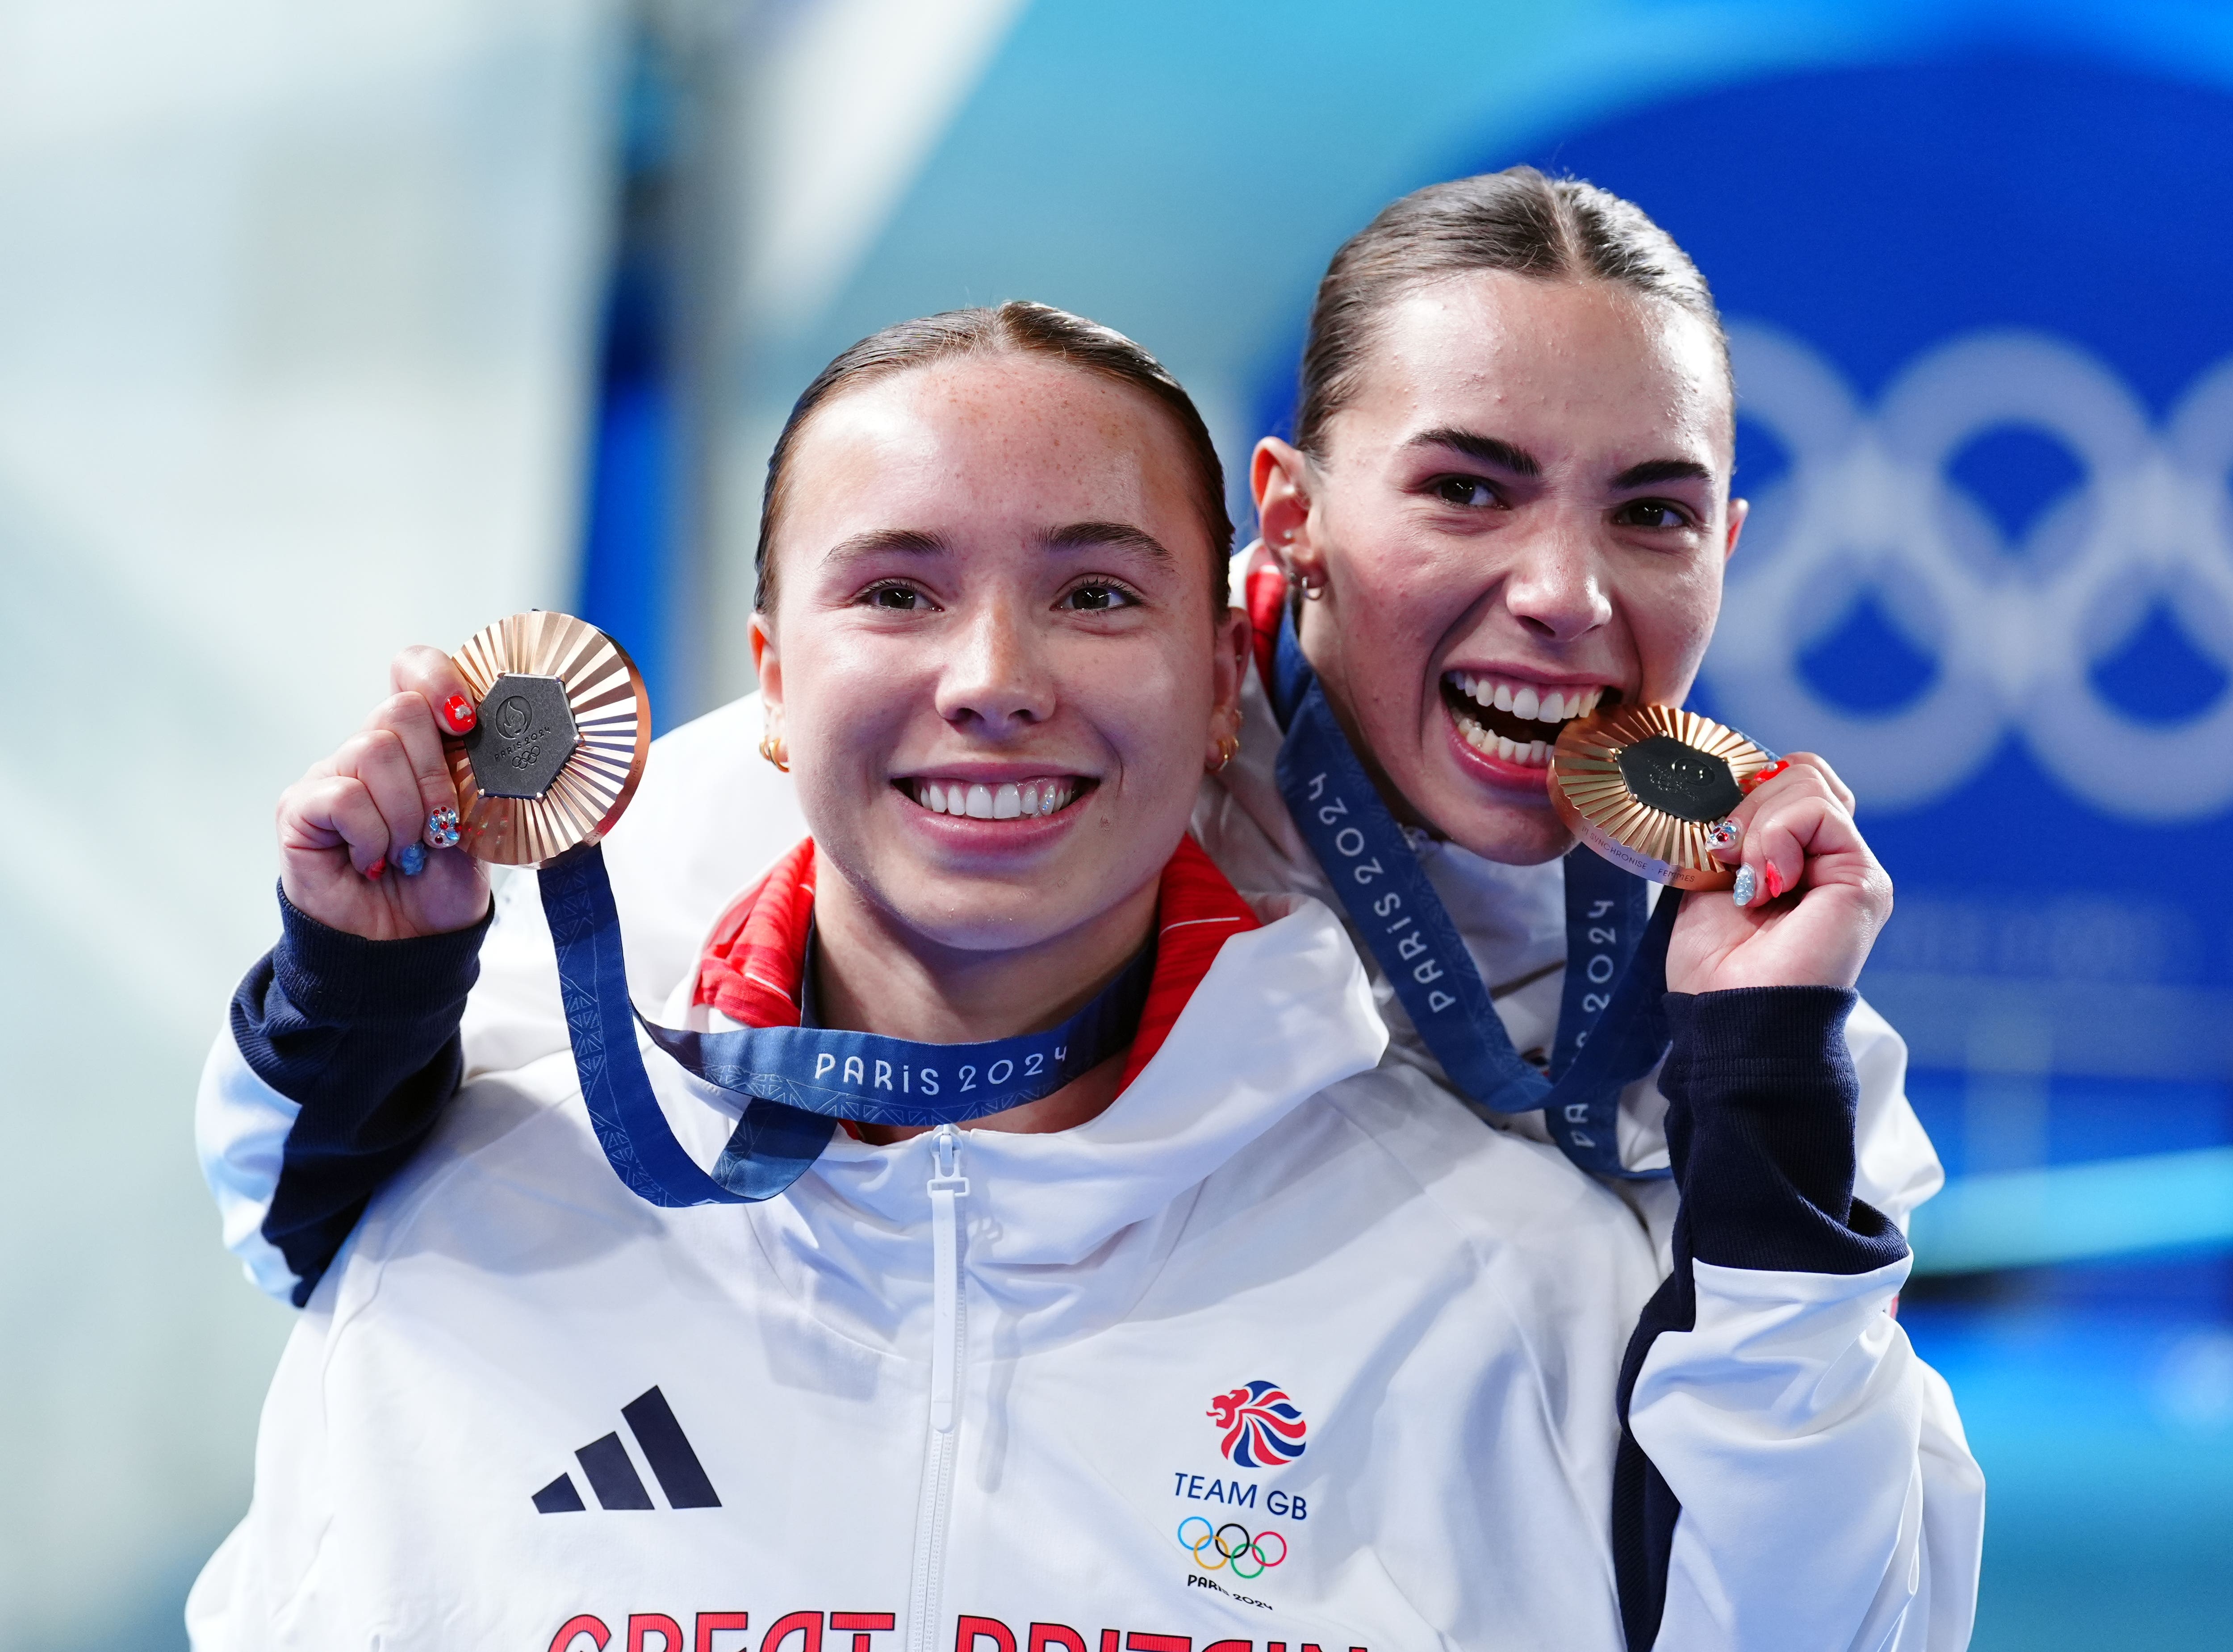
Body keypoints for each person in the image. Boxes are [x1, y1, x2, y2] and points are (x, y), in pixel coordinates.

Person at [201, 171, 1981, 1649]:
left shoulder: (1757, 980)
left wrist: (1767, 1077)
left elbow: (1842, 1601)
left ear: (1728, 545)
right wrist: (360, 986)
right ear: (1282, 530)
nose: (1564, 594)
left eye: (1652, 515)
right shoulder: (833, 799)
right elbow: (351, 1207)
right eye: (1465, 485)